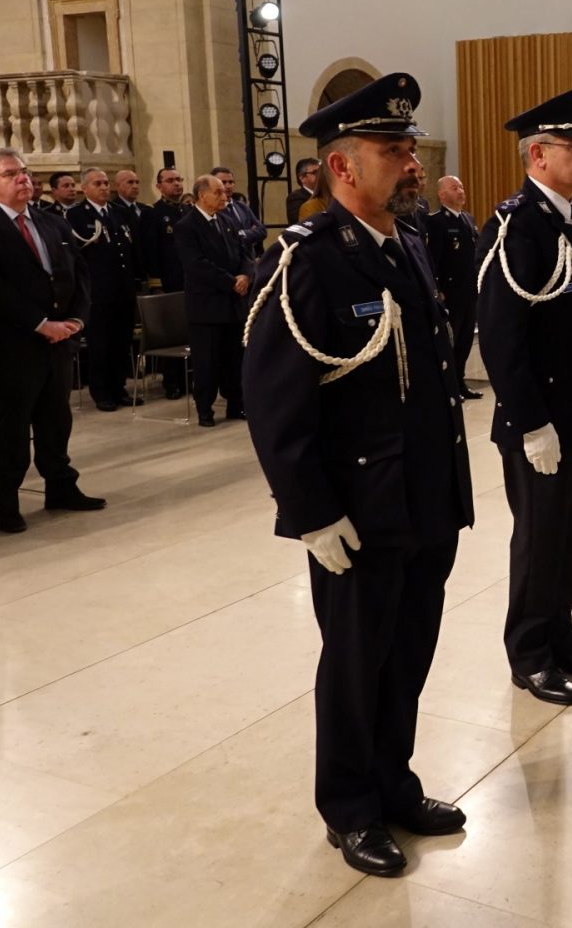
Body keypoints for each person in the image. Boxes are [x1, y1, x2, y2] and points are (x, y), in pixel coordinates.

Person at [242, 74, 473, 878]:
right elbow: (275, 401)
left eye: (410, 148)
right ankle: (349, 807)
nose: (412, 162)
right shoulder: (307, 260)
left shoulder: (407, 243)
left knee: (407, 655)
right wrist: (310, 512)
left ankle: (393, 783)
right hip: (359, 510)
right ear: (343, 166)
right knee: (354, 664)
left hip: (425, 498)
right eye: (394, 150)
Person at [476, 86, 572, 706]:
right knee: (539, 540)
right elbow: (501, 336)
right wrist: (531, 423)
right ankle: (530, 653)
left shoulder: (570, 216)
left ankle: (560, 637)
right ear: (538, 154)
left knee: (569, 536)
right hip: (543, 421)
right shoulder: (516, 225)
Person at [0, 148, 104, 533]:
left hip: (58, 340)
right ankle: (6, 501)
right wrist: (39, 324)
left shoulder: (50, 221)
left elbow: (79, 273)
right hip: (9, 345)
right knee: (12, 427)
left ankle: (61, 487)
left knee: (56, 419)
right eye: (11, 173)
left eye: (25, 171)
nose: (24, 178)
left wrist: (76, 318)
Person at [175, 174, 252, 426]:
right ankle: (205, 409)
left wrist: (245, 275)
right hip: (207, 305)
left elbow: (243, 253)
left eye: (224, 191)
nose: (224, 196)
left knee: (235, 358)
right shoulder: (187, 226)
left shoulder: (226, 220)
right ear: (202, 195)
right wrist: (231, 282)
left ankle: (236, 404)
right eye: (218, 192)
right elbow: (196, 264)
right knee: (207, 361)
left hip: (233, 303)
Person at [68, 169, 143, 410]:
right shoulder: (77, 215)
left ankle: (119, 387)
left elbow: (130, 247)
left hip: (123, 287)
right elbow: (77, 254)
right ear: (84, 188)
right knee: (100, 342)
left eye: (105, 183)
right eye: (97, 183)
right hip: (98, 290)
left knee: (121, 341)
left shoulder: (119, 212)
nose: (104, 188)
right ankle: (101, 391)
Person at [416, 175, 480, 399]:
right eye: (454, 188)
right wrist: (437, 288)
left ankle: (460, 383)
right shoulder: (435, 222)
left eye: (461, 186)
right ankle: (449, 387)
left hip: (469, 291)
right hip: (450, 293)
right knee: (450, 343)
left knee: (464, 342)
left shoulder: (468, 219)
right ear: (442, 195)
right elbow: (432, 259)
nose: (461, 191)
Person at [138, 167, 189, 399]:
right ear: (159, 186)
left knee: (190, 332)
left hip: (189, 281)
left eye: (178, 179)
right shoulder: (153, 214)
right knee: (173, 333)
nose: (176, 184)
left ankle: (189, 379)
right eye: (170, 180)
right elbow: (150, 251)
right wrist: (156, 281)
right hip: (168, 282)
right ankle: (172, 382)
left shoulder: (187, 211)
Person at [210, 167, 267, 256]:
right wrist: (250, 233)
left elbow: (262, 230)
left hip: (249, 259)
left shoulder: (242, 207)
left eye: (231, 182)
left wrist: (243, 233)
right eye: (223, 182)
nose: (228, 186)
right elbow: (223, 238)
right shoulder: (212, 209)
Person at [285, 157, 321, 224]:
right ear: (302, 178)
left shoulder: (327, 194)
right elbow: (298, 223)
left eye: (321, 172)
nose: (320, 175)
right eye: (315, 172)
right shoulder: (295, 197)